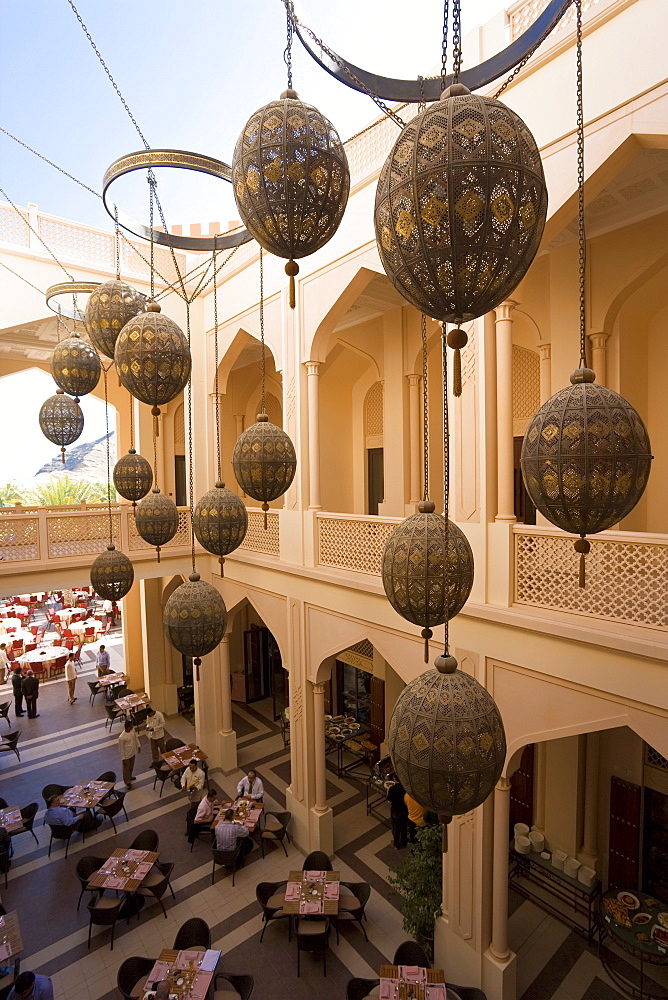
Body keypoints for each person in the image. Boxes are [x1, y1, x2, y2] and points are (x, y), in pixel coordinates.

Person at [118, 720, 140, 789]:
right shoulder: (122, 737)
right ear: (127, 727)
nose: (132, 727)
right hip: (126, 755)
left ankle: (130, 776)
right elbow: (121, 749)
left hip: (132, 752)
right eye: (131, 726)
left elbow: (135, 738)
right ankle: (127, 781)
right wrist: (123, 758)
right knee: (126, 768)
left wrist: (138, 745)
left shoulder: (132, 731)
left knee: (131, 766)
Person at [387, 779, 408, 849]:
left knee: (396, 829)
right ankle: (404, 843)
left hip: (395, 811)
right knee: (403, 827)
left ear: (394, 779)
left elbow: (389, 801)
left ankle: (397, 844)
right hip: (404, 810)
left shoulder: (392, 789)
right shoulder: (405, 788)